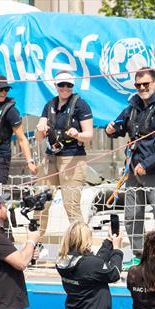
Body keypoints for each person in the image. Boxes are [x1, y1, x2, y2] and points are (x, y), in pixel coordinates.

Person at [106, 68, 155, 269]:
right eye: (138, 85)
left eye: (146, 84)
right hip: (133, 171)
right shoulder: (133, 106)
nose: (142, 88)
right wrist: (110, 129)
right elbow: (120, 126)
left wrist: (147, 164)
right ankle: (139, 255)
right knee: (132, 216)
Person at [35, 71, 93, 240]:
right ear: (56, 85)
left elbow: (89, 134)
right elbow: (39, 136)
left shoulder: (81, 105)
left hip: (73, 158)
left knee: (71, 205)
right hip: (51, 157)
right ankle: (34, 245)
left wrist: (77, 135)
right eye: (61, 85)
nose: (65, 88)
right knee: (41, 202)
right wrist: (40, 129)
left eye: (69, 85)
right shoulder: (49, 104)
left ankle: (81, 246)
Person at [0, 74, 37, 186]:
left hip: (0, 155)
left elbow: (22, 139)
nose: (3, 92)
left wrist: (29, 161)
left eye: (6, 89)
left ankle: (1, 204)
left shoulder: (11, 112)